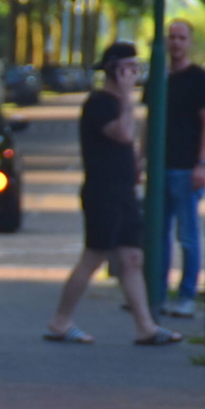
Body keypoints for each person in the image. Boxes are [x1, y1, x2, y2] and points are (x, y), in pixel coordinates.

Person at [45, 42, 182, 346]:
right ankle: (60, 320)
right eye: (129, 68)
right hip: (102, 192)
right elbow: (123, 134)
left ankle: (145, 326)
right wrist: (128, 96)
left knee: (132, 257)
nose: (135, 73)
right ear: (116, 70)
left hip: (123, 191)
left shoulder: (117, 103)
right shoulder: (100, 103)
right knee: (94, 255)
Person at [144, 20, 205, 318]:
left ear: (189, 42)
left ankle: (186, 295)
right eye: (171, 38)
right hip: (159, 167)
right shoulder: (158, 79)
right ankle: (156, 294)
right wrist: (140, 158)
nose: (176, 43)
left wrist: (201, 163)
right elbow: (149, 121)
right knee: (157, 235)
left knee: (187, 236)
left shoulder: (200, 79)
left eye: (181, 38)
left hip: (187, 168)